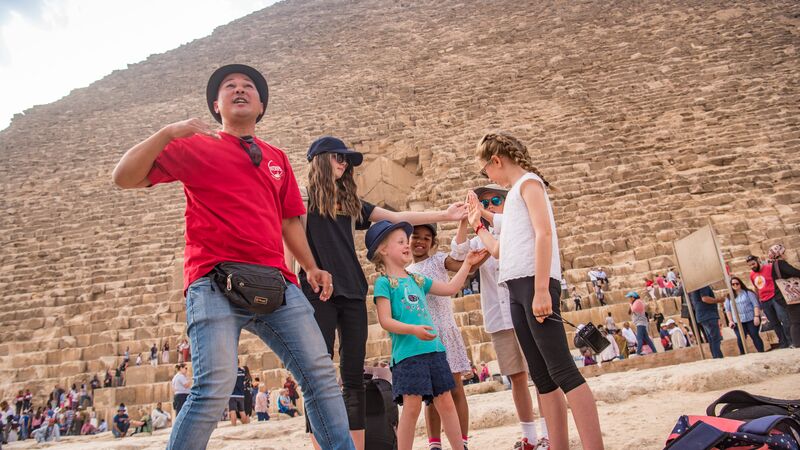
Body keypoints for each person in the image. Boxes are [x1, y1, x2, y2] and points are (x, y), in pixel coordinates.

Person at [112, 63, 354, 450]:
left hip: (277, 283)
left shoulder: (277, 158)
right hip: (213, 281)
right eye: (230, 86)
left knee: (321, 374)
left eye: (248, 87)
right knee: (214, 385)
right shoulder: (192, 146)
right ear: (215, 104)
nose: (239, 90)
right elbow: (123, 177)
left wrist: (311, 266)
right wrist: (167, 133)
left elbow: (290, 220)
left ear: (261, 106)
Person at [293, 135, 468, 450]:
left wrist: (445, 214)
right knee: (316, 375)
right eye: (338, 157)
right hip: (315, 291)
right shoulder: (300, 198)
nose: (344, 164)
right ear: (319, 159)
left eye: (347, 160)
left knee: (352, 377)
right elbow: (285, 236)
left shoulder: (351, 205)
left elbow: (399, 218)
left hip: (352, 292)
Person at [467, 132, 603, 450]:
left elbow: (543, 235)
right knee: (541, 377)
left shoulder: (529, 184)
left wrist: (541, 289)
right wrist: (478, 223)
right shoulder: (516, 194)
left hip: (533, 283)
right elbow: (500, 250)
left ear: (496, 160)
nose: (486, 175)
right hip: (515, 287)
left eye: (485, 168)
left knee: (563, 371)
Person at [367, 220, 485, 450]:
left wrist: (467, 264)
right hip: (408, 356)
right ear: (383, 249)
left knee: (447, 404)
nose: (407, 245)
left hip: (436, 350)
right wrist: (413, 330)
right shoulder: (383, 283)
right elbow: (385, 320)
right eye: (401, 241)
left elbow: (450, 289)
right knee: (411, 410)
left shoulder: (416, 279)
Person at [451, 182, 549, 449]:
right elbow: (458, 252)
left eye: (495, 200)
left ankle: (549, 432)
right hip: (500, 317)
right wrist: (463, 220)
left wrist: (482, 218)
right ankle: (529, 436)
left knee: (541, 374)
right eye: (484, 203)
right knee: (516, 377)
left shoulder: (516, 228)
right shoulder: (478, 238)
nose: (489, 206)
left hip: (526, 310)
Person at [406, 222, 473, 449]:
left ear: (433, 243)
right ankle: (434, 443)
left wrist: (488, 250)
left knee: (455, 389)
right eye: (416, 236)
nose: (420, 241)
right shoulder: (404, 272)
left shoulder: (438, 261)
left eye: (426, 238)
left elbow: (465, 266)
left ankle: (462, 441)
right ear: (407, 239)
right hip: (424, 336)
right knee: (432, 395)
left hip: (445, 331)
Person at [725, 276, 765, 354]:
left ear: (740, 283)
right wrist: (730, 321)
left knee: (754, 335)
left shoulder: (748, 293)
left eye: (737, 283)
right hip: (738, 321)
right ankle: (743, 354)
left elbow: (755, 305)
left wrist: (756, 316)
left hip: (750, 318)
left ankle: (761, 352)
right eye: (733, 284)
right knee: (740, 338)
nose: (735, 285)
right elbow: (728, 310)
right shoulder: (729, 296)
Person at [689, 285, 725, 358]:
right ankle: (718, 357)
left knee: (711, 339)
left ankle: (716, 356)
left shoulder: (694, 287)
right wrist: (719, 300)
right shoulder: (703, 285)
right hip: (708, 315)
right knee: (716, 338)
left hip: (702, 315)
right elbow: (705, 298)